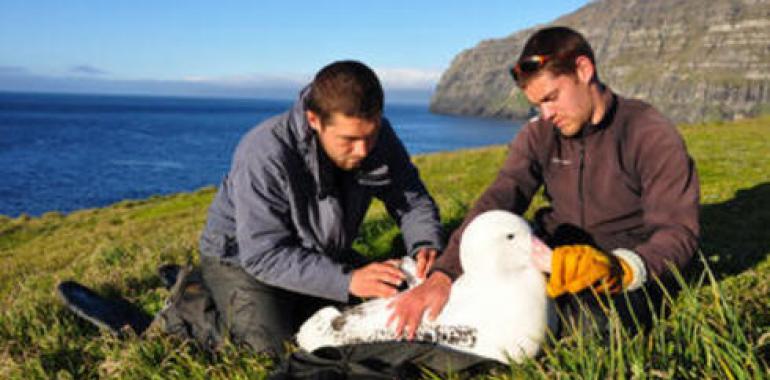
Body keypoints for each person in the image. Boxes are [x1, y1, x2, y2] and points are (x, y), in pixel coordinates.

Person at [389, 26, 700, 339]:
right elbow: (499, 198)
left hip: (623, 265)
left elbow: (679, 231)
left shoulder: (649, 132)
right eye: (538, 104)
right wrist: (444, 274)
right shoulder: (540, 133)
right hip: (553, 258)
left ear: (584, 70)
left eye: (551, 98)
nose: (546, 114)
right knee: (460, 300)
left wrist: (623, 269)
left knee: (592, 327)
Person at [198, 60, 443, 355]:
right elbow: (263, 254)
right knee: (279, 352)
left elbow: (411, 199)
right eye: (349, 140)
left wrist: (425, 243)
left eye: (371, 134)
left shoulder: (376, 135)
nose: (363, 150)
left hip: (322, 253)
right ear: (314, 120)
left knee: (385, 317)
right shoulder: (264, 153)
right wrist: (348, 280)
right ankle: (194, 307)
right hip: (243, 261)